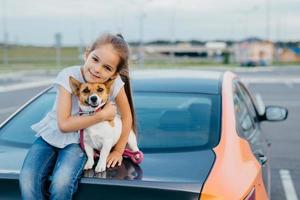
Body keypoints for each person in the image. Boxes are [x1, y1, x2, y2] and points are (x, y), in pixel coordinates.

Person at [19, 33, 137, 200]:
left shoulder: (114, 84)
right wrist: (102, 115)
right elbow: (64, 125)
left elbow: (127, 117)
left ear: (114, 74)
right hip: (50, 135)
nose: (97, 69)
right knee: (27, 180)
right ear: (87, 54)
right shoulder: (69, 75)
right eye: (95, 59)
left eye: (107, 67)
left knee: (62, 184)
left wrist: (118, 150)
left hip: (79, 141)